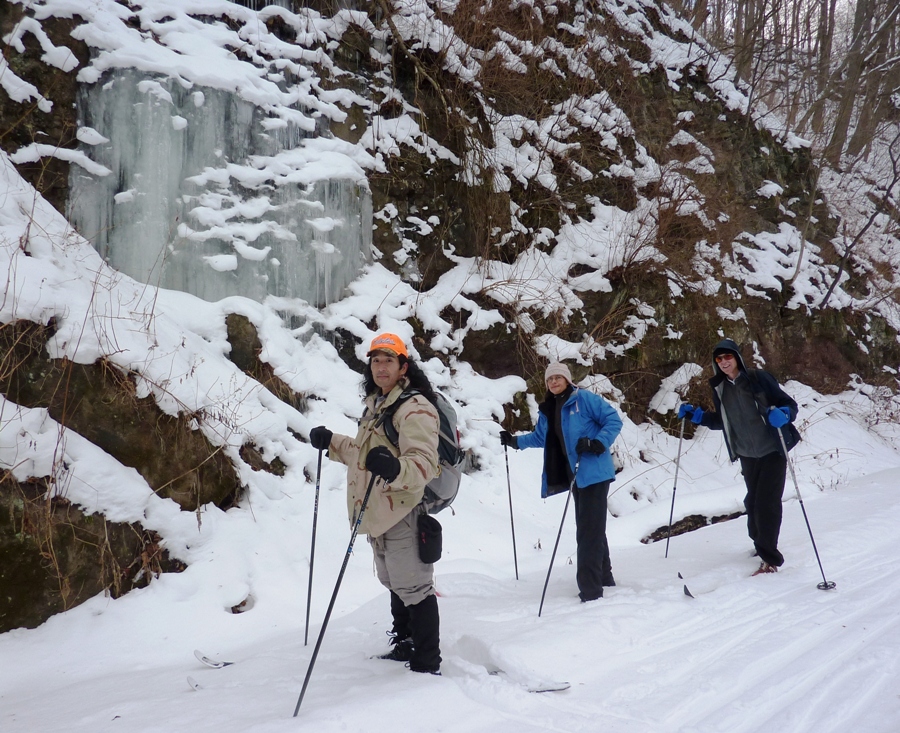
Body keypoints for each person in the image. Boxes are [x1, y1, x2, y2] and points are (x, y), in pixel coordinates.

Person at [308, 333, 443, 674]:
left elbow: (425, 462)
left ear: (403, 367)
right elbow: (364, 454)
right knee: (394, 580)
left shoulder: (415, 408)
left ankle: (427, 663)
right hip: (379, 509)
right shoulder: (378, 404)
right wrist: (333, 442)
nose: (381, 367)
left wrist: (397, 467)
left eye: (388, 360)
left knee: (413, 584)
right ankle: (405, 642)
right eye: (376, 360)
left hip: (402, 509)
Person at [500, 362, 623, 602]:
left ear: (567, 380)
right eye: (550, 379)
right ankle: (604, 578)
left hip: (594, 473)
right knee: (592, 527)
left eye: (558, 377)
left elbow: (613, 420)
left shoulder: (583, 399)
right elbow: (540, 437)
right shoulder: (549, 408)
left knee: (588, 530)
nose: (554, 382)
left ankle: (590, 591)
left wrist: (597, 442)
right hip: (575, 475)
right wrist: (514, 442)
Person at [678, 338, 801, 576]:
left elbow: (789, 404)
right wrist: (697, 416)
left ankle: (770, 558)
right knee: (752, 503)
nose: (724, 362)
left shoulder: (758, 378)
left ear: (737, 358)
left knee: (767, 504)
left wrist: (784, 414)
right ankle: (760, 544)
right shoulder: (720, 388)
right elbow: (723, 422)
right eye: (719, 359)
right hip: (747, 453)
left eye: (728, 357)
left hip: (772, 449)